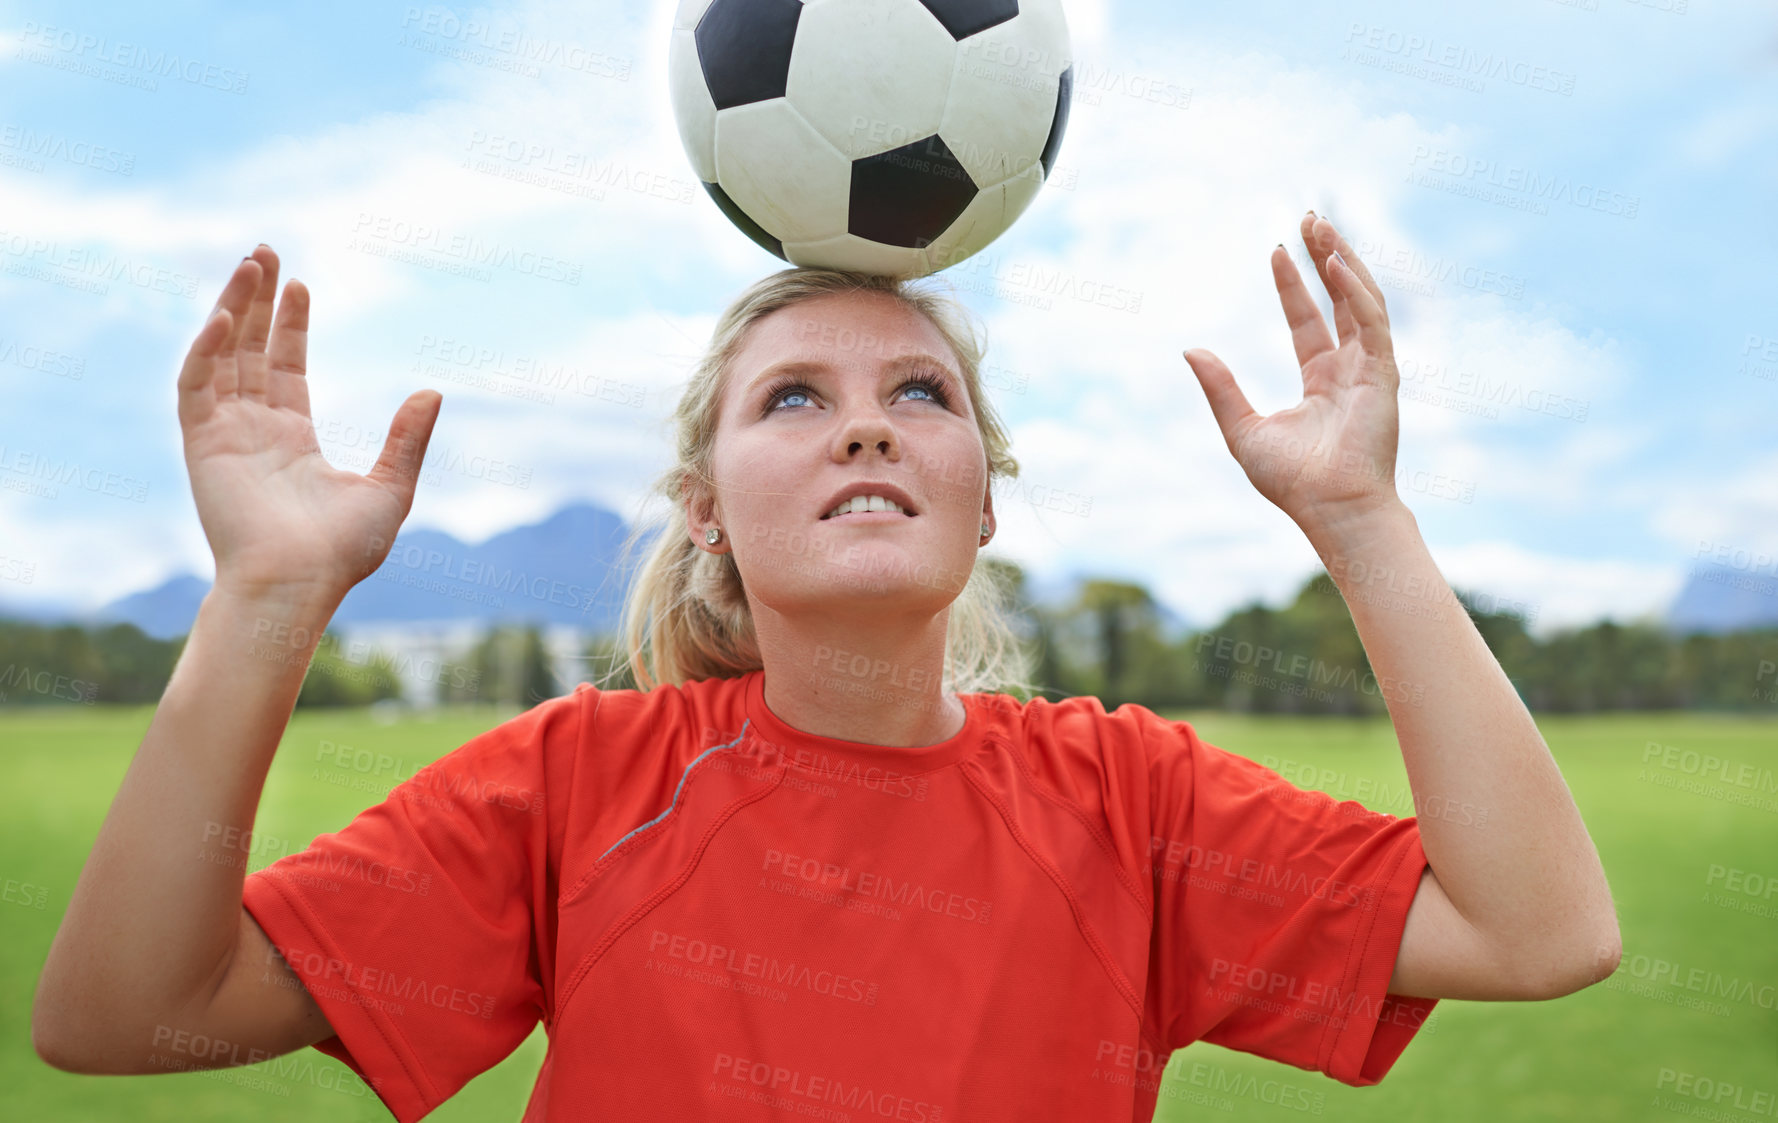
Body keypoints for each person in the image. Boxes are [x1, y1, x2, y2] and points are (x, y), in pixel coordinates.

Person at [31, 211, 1622, 1122]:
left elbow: (1537, 932)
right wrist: (264, 594)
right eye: (792, 397)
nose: (864, 420)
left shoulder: (1127, 797)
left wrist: (1358, 518)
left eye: (917, 393)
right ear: (706, 511)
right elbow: (122, 1014)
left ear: (984, 496)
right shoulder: (575, 785)